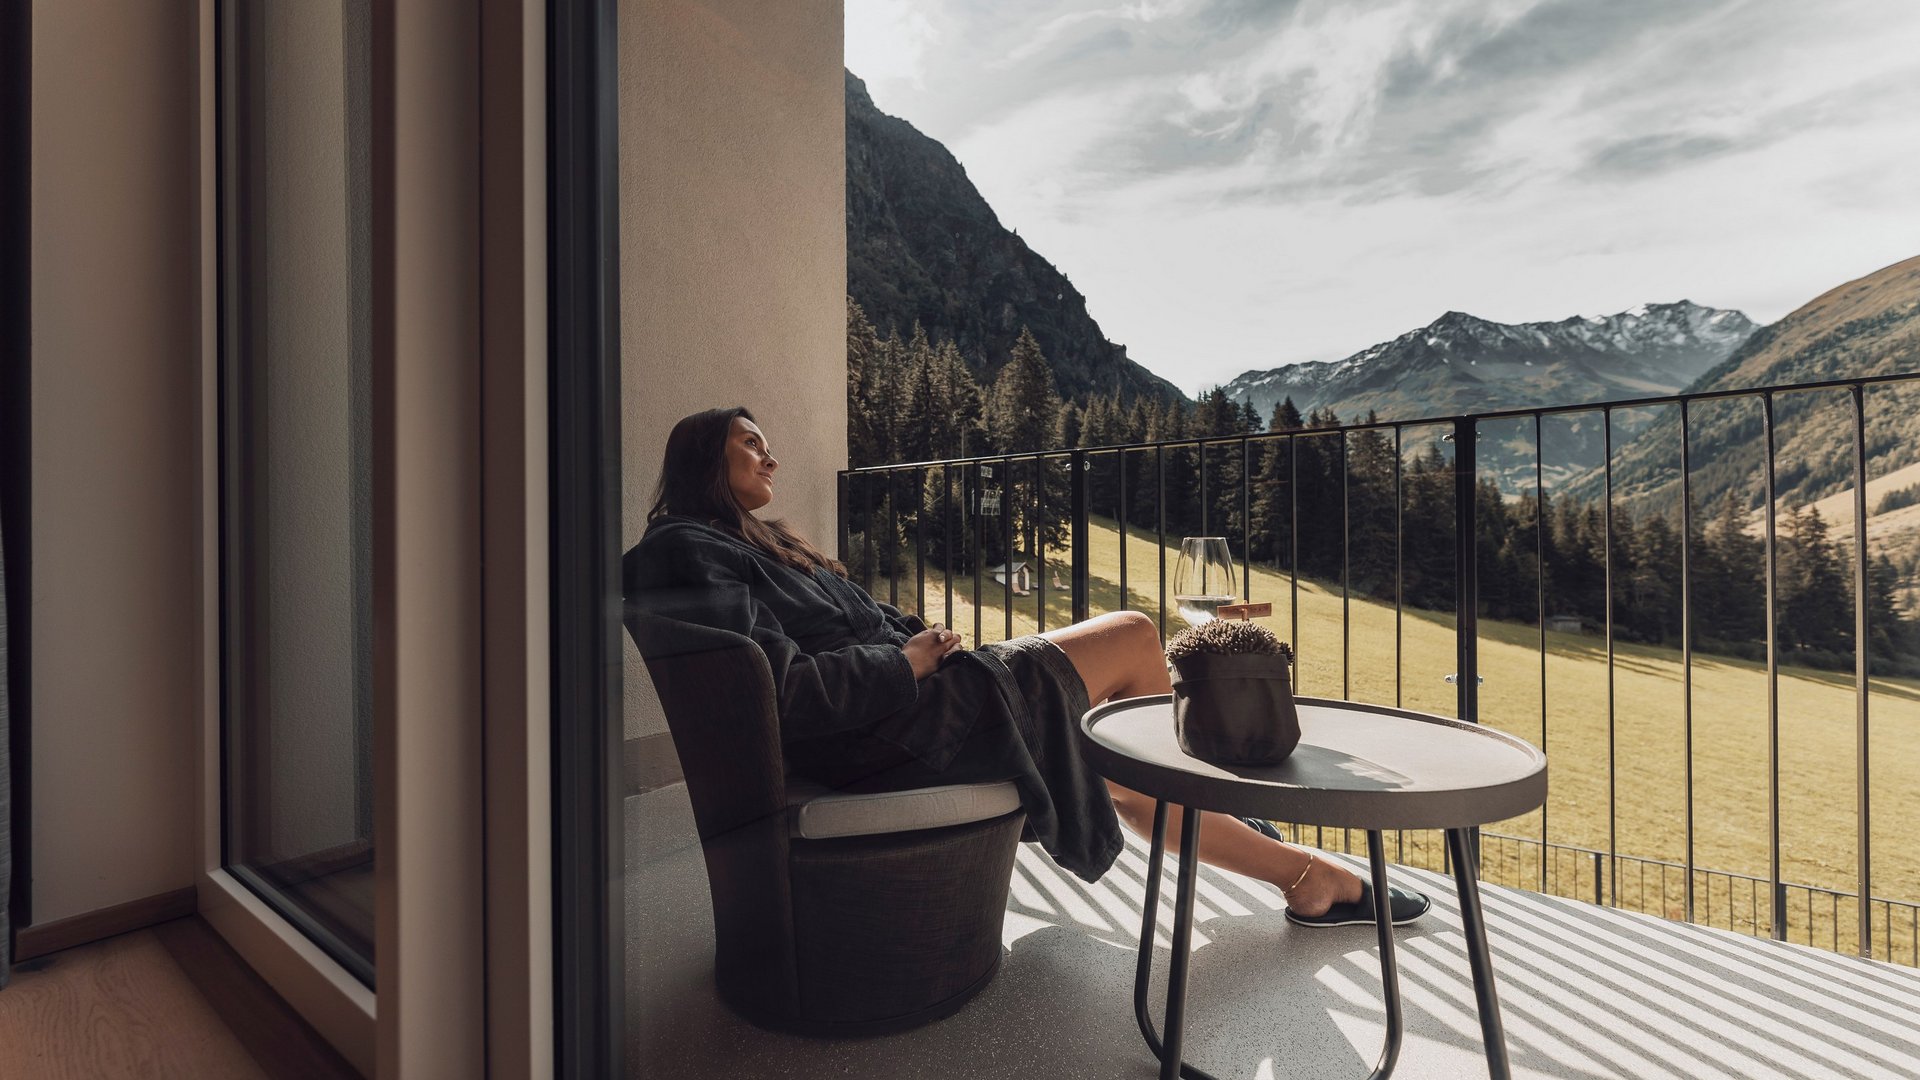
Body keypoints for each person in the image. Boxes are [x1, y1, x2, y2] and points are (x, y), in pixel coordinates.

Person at [625, 406, 1428, 926]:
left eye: (769, 440)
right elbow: (785, 693)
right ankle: (1284, 859)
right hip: (885, 730)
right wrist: (907, 663)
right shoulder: (687, 551)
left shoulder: (748, 546)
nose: (770, 456)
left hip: (908, 707)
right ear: (705, 460)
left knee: (1123, 762)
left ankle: (1298, 872)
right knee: (1133, 638)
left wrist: (924, 640)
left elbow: (846, 629)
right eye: (750, 444)